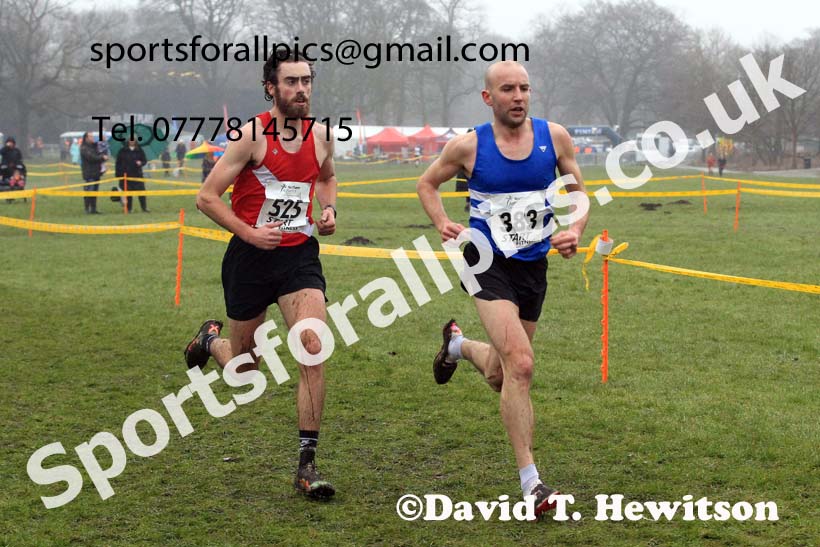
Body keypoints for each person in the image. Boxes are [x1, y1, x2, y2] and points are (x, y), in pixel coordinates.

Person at [416, 60, 589, 518]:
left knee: (500, 373)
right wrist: (441, 222)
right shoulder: (469, 145)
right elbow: (427, 183)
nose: (518, 96)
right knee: (523, 364)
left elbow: (577, 193)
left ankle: (456, 345)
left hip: (532, 265)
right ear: (488, 97)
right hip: (485, 262)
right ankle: (532, 483)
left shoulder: (555, 137)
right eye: (508, 89)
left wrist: (575, 230)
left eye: (525, 88)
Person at [183, 50, 339, 499]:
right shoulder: (251, 136)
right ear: (271, 87)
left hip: (298, 256)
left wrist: (327, 209)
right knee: (246, 372)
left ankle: (307, 466)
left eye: (306, 81)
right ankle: (212, 341)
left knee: (313, 346)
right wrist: (250, 234)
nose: (301, 90)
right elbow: (207, 197)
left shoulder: (322, 135)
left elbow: (327, 177)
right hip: (249, 260)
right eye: (291, 82)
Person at [115, 139, 149, 212]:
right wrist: (118, 175)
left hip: (138, 175)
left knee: (141, 192)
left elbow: (144, 160)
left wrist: (141, 163)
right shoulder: (122, 151)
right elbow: (118, 163)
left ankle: (144, 208)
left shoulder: (140, 150)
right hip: (126, 175)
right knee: (128, 193)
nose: (132, 141)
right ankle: (129, 208)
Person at [80, 132, 106, 214]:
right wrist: (102, 157)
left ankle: (93, 209)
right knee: (89, 191)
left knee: (95, 192)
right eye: (90, 136)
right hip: (89, 173)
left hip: (96, 173)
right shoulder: (84, 148)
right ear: (86, 138)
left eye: (92, 136)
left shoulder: (95, 147)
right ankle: (87, 209)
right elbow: (92, 158)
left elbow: (99, 153)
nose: (92, 138)